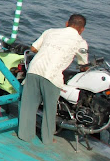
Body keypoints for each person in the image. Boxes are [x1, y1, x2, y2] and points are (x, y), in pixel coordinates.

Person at [17, 14, 89, 144]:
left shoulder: (50, 32)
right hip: (52, 75)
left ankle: (24, 135)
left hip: (34, 69)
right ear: (82, 29)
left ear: (67, 23)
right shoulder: (80, 42)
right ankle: (48, 139)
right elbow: (83, 65)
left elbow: (33, 48)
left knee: (28, 105)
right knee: (50, 109)